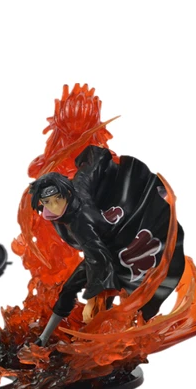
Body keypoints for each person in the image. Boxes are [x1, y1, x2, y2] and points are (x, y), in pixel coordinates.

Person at [30, 146, 185, 346]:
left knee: (102, 297)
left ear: (66, 194)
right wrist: (88, 156)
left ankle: (106, 338)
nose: (54, 206)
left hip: (119, 248)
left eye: (57, 199)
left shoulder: (80, 222)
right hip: (104, 242)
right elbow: (94, 161)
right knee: (70, 289)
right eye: (47, 202)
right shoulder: (78, 185)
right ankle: (44, 338)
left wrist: (93, 298)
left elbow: (99, 259)